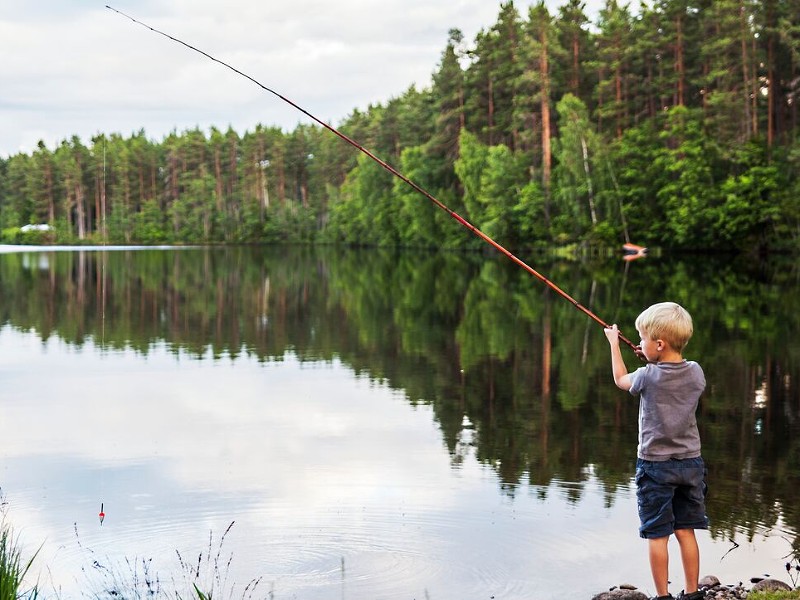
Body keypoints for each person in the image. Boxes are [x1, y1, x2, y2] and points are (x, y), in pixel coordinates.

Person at [604, 302, 708, 600]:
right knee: (686, 530)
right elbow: (670, 371)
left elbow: (621, 380)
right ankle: (692, 593)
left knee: (657, 534)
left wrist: (614, 345)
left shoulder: (646, 376)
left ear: (659, 344)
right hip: (691, 464)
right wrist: (652, 359)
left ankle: (662, 596)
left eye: (642, 339)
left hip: (655, 467)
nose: (638, 343)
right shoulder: (696, 372)